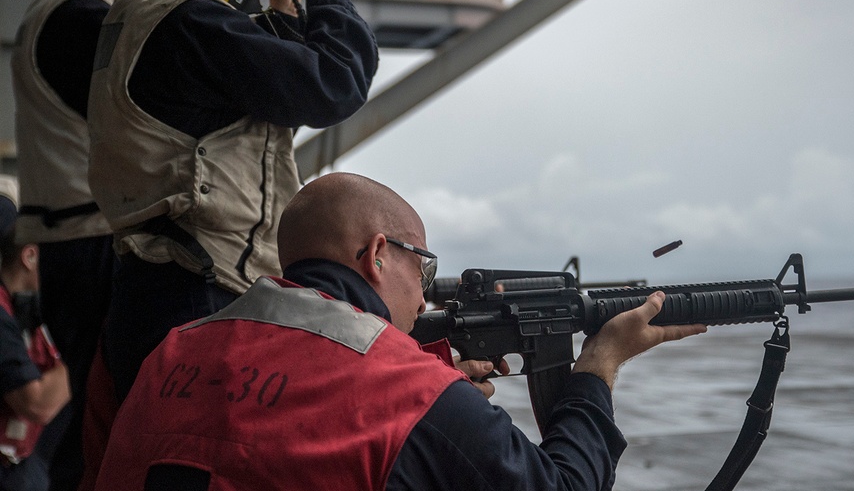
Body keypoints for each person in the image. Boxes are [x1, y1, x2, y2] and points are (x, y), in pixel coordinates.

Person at [93, 173, 706, 490]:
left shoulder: (169, 352)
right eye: (424, 265)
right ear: (378, 254)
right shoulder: (411, 394)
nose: (424, 291)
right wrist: (598, 368)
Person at [86, 0, 379, 402]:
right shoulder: (190, 19)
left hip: (150, 287)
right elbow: (332, 84)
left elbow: (265, 85)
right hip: (200, 291)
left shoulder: (147, 6)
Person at [10, 0, 150, 491]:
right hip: (91, 241)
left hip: (69, 241)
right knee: (101, 428)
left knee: (87, 428)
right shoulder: (80, 18)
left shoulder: (49, 14)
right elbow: (149, 101)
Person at [0, 176, 71, 491]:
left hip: (24, 465)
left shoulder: (27, 310)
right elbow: (37, 403)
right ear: (29, 256)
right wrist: (86, 351)